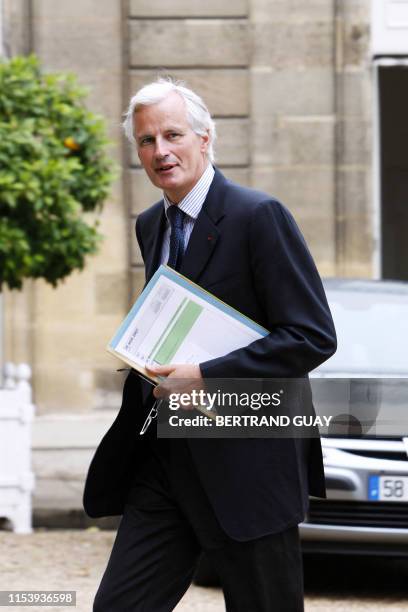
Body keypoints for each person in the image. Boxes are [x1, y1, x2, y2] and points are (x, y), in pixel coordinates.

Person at [83, 77, 337, 611]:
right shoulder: (152, 224)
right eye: (147, 141)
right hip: (167, 458)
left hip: (249, 461)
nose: (161, 151)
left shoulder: (257, 216)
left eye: (172, 135)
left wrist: (204, 374)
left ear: (205, 138)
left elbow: (312, 336)